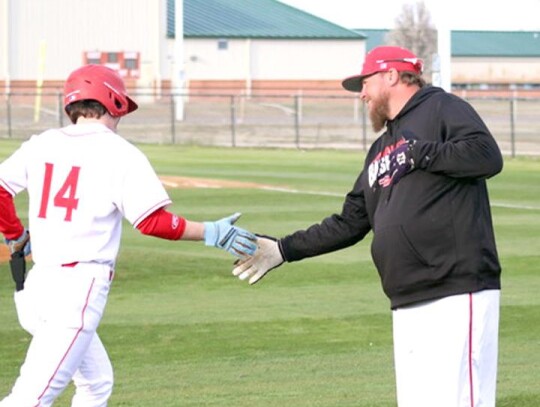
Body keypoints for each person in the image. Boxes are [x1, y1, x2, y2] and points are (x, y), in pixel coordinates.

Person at [233, 46, 504, 407]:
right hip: (406, 297)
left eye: (365, 82)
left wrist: (421, 152)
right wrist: (284, 249)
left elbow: (487, 155)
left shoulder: (441, 107)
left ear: (392, 75)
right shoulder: (381, 148)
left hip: (455, 289)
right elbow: (350, 221)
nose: (361, 93)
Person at [0, 64, 256, 406]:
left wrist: (15, 235)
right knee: (30, 399)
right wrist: (213, 232)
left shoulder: (41, 143)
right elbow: (153, 222)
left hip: (40, 287)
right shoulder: (119, 151)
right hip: (77, 289)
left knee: (96, 382)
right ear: (113, 102)